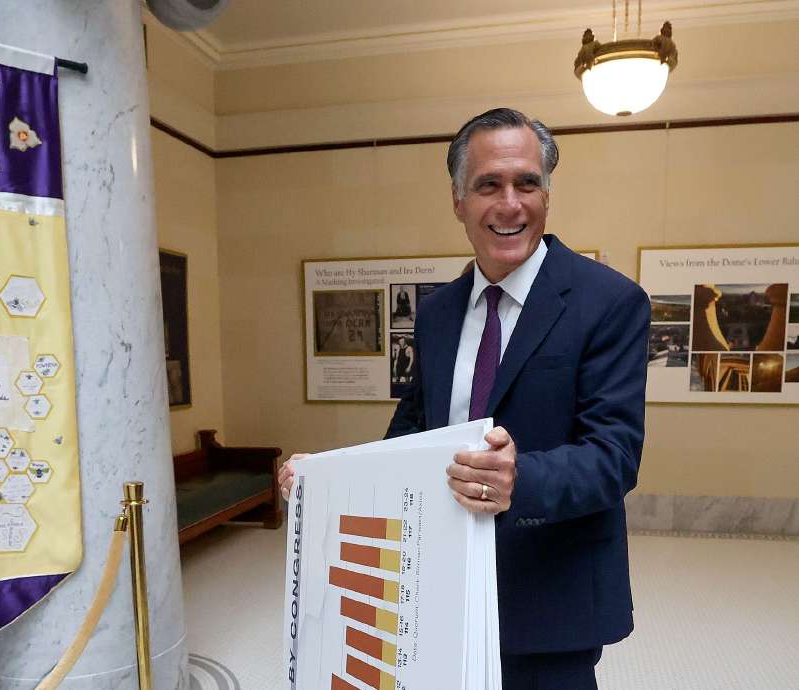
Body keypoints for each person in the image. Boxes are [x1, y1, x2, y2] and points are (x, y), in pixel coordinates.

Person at [278, 108, 649, 690]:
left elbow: (614, 456)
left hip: (552, 597)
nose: (510, 204)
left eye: (527, 182)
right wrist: (322, 479)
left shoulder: (609, 302)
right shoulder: (436, 312)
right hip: (436, 587)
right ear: (458, 201)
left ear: (547, 195)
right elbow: (410, 434)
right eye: (488, 185)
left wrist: (515, 478)